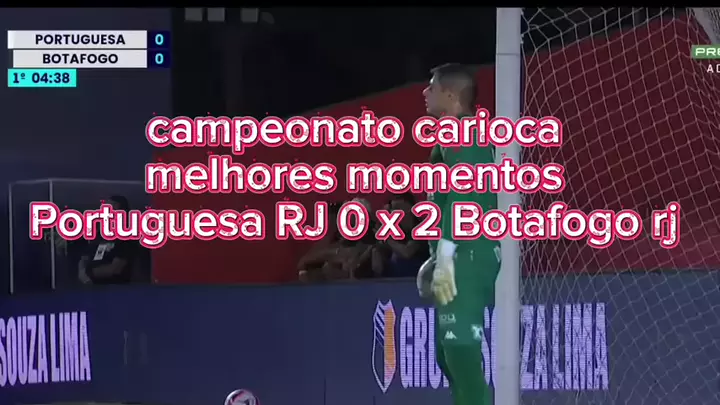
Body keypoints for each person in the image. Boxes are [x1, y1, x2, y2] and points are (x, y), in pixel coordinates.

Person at [418, 63, 500, 405]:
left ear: (451, 95)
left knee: (460, 350)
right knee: (445, 354)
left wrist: (446, 256)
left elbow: (464, 201)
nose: (425, 92)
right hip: (459, 251)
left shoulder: (465, 132)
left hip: (469, 252)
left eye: (432, 87)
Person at [78, 195, 139, 285]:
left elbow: (116, 268)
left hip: (115, 288)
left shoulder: (127, 237)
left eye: (113, 207)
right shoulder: (100, 235)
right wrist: (82, 272)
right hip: (93, 287)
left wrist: (88, 274)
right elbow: (85, 257)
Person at [372, 193, 429, 277]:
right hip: (395, 279)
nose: (395, 212)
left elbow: (407, 252)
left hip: (415, 276)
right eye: (393, 209)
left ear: (409, 208)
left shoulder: (421, 229)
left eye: (398, 208)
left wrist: (386, 238)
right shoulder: (392, 230)